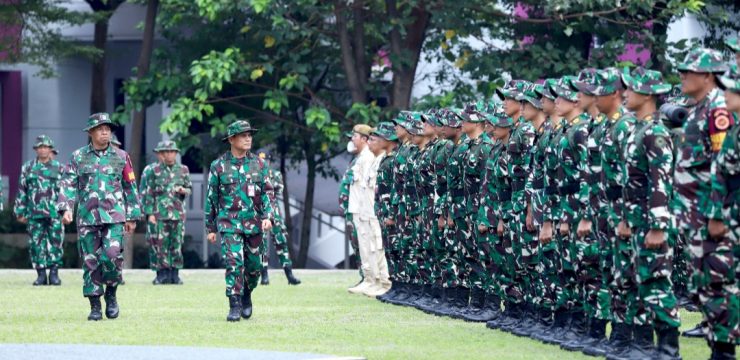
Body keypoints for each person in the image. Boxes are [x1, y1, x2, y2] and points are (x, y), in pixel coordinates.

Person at [675, 48, 737, 357]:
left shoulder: (717, 110)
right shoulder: (698, 108)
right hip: (694, 214)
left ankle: (723, 351)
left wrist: (716, 213)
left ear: (708, 76)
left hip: (711, 214)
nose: (682, 76)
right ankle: (716, 343)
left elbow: (722, 165)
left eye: (689, 71)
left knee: (716, 282)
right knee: (702, 282)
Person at [57, 113, 142, 321]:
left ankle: (111, 294)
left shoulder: (121, 157)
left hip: (114, 217)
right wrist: (66, 207)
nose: (105, 132)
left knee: (112, 256)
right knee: (90, 261)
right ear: (91, 132)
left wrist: (132, 216)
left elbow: (130, 187)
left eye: (108, 128)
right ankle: (95, 305)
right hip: (87, 218)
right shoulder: (78, 157)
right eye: (100, 128)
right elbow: (68, 184)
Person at [205, 120, 273, 322]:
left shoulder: (260, 165)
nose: (248, 138)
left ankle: (247, 295)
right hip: (229, 224)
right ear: (232, 139)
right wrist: (210, 227)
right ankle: (234, 304)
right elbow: (211, 198)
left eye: (250, 135)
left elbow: (268, 193)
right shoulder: (218, 166)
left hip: (254, 224)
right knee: (234, 263)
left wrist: (268, 216)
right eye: (243, 135)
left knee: (254, 268)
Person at [14, 135, 65, 286]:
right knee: (36, 244)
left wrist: (67, 211)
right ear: (36, 149)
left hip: (54, 213)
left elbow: (65, 192)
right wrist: (19, 211)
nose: (43, 149)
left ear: (50, 149)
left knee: (56, 242)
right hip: (34, 213)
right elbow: (22, 190)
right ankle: (41, 274)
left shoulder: (59, 168)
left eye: (45, 147)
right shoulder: (28, 168)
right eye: (40, 147)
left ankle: (54, 274)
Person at [140, 140, 192, 285]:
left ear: (176, 153)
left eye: (172, 152)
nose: (169, 155)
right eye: (166, 152)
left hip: (177, 214)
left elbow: (189, 188)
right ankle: (161, 275)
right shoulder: (154, 171)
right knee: (159, 245)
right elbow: (149, 193)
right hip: (159, 214)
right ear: (160, 154)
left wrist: (183, 190)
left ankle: (175, 275)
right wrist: (149, 214)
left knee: (176, 244)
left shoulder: (183, 170)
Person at [347, 124, 391, 297]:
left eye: (355, 136)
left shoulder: (372, 159)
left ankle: (383, 281)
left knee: (376, 247)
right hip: (363, 210)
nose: (352, 139)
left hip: (372, 212)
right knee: (367, 247)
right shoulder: (368, 159)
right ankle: (370, 279)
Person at [258, 152, 301, 286]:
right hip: (259, 213)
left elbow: (277, 190)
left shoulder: (275, 174)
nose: (262, 163)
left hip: (273, 212)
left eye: (264, 160)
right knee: (261, 244)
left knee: (281, 241)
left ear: (269, 161)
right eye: (259, 160)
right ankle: (264, 275)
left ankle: (289, 275)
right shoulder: (252, 175)